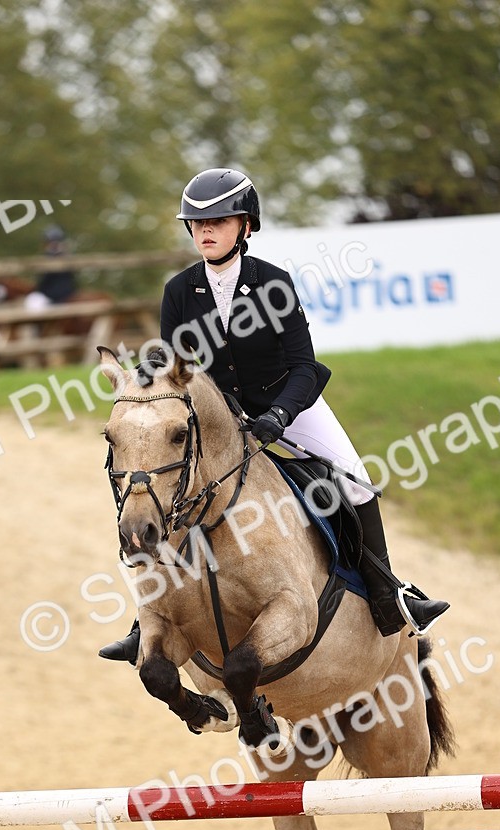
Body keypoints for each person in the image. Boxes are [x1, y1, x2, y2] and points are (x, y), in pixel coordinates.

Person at [100, 168, 448, 663]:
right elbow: (171, 360)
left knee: (356, 481)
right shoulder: (180, 290)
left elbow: (304, 365)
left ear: (245, 225)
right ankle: (147, 623)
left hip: (287, 402)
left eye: (217, 221)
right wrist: (141, 372)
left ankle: (388, 592)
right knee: (170, 491)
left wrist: (282, 414)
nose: (205, 231)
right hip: (219, 419)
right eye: (196, 223)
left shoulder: (273, 283)